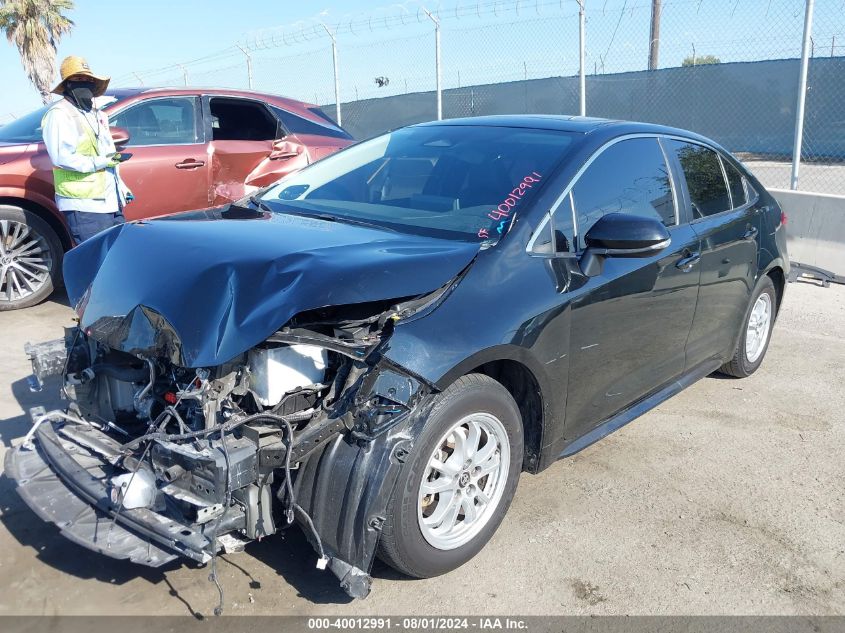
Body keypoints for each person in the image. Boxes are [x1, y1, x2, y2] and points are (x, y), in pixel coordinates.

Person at [42, 56, 133, 244]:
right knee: (94, 261)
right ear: (67, 85)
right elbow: (62, 157)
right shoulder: (60, 115)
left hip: (109, 201)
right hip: (84, 206)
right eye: (78, 80)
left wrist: (121, 189)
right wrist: (101, 161)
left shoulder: (97, 115)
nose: (85, 84)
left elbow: (108, 156)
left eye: (89, 80)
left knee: (115, 255)